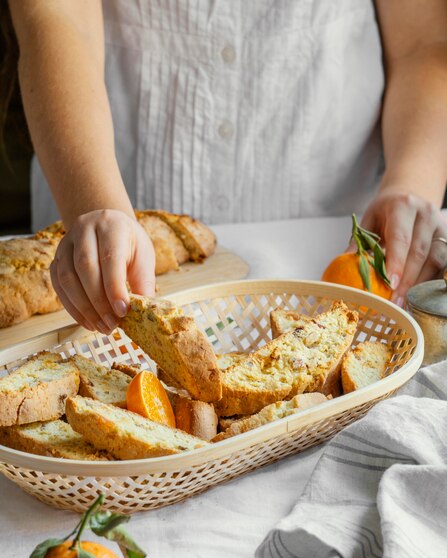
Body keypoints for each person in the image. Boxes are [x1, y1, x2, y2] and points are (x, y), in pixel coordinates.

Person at [6, 0, 447, 333]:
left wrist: (410, 181)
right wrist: (97, 205)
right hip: (104, 213)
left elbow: (424, 43)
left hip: (334, 249)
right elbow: (56, 16)